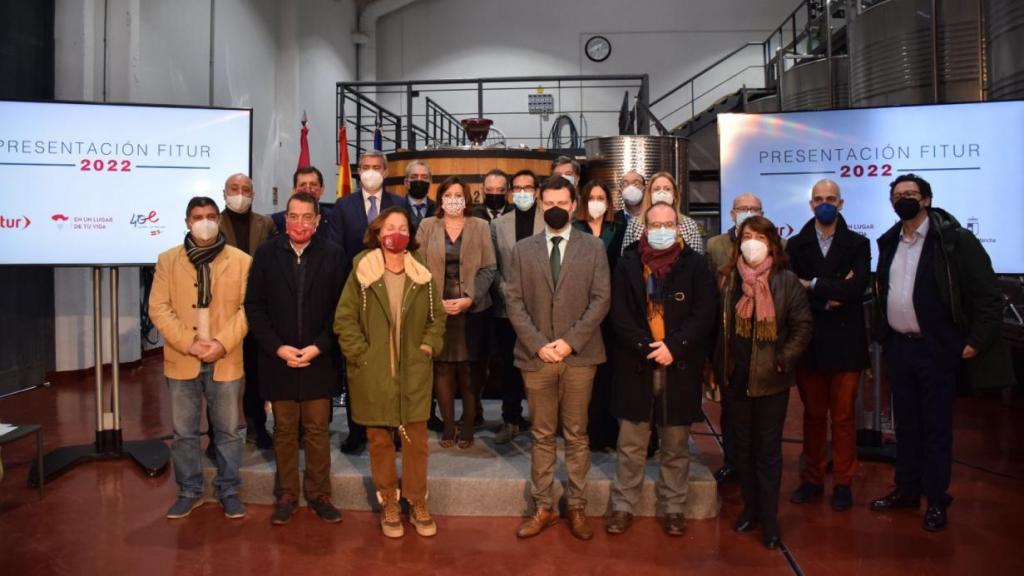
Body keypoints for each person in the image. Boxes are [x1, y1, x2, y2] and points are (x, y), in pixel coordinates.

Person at [870, 174, 1009, 532]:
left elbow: (990, 297)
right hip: (900, 348)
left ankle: (935, 499)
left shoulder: (954, 241)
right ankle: (907, 489)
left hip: (937, 350)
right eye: (898, 195)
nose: (904, 199)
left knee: (936, 428)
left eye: (911, 194)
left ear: (927, 200)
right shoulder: (890, 242)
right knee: (906, 426)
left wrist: (975, 341)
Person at [506, 176, 611, 541]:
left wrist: (569, 342)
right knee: (541, 435)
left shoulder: (593, 248)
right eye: (547, 202)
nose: (554, 209)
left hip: (580, 356)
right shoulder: (522, 250)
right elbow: (514, 303)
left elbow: (601, 300)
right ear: (539, 202)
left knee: (578, 435)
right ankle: (543, 507)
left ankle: (578, 507)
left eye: (561, 203)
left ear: (573, 204)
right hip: (537, 358)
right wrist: (539, 344)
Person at [606, 203, 717, 536]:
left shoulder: (695, 266)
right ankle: (623, 505)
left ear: (679, 228)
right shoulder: (627, 264)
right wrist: (645, 346)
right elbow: (619, 314)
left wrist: (674, 346)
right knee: (630, 444)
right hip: (636, 363)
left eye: (669, 224)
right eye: (655, 225)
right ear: (645, 228)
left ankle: (673, 508)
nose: (662, 230)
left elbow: (704, 313)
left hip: (678, 365)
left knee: (675, 445)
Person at [335, 207, 446, 538]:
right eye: (390, 226)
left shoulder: (421, 272)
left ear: (409, 235)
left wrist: (428, 346)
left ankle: (416, 500)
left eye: (402, 227)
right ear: (378, 232)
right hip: (374, 373)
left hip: (413, 373)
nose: (396, 232)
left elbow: (437, 318)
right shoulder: (362, 269)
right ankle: (389, 502)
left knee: (415, 441)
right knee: (380, 440)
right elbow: (344, 318)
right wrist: (360, 355)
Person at [245, 192, 348, 525]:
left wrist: (320, 346)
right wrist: (278, 348)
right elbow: (255, 308)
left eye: (307, 217)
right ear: (284, 219)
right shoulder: (265, 255)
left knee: (318, 429)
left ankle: (319, 493)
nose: (300, 223)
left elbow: (341, 310)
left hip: (320, 357)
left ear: (317, 221)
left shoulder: (334, 255)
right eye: (293, 216)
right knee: (285, 430)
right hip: (278, 359)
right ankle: (287, 493)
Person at [712, 215, 812, 549]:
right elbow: (719, 328)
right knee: (743, 450)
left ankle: (769, 521)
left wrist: (784, 359)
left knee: (768, 453)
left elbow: (802, 327)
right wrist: (716, 369)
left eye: (759, 236)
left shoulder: (786, 282)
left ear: (771, 242)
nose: (751, 242)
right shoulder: (729, 279)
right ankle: (750, 510)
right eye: (746, 236)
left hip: (771, 381)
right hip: (736, 379)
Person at [149, 196, 251, 520]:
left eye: (210, 216)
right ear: (187, 222)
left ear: (218, 220)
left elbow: (248, 309)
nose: (204, 221)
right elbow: (158, 308)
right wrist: (189, 343)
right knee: (183, 433)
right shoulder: (168, 260)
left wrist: (221, 343)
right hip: (183, 358)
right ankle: (189, 490)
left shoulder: (241, 261)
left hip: (226, 356)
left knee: (230, 431)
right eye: (197, 216)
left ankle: (229, 490)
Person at [785, 179, 870, 512]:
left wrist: (814, 285)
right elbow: (794, 289)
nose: (825, 204)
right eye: (818, 199)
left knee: (845, 418)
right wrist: (833, 294)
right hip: (811, 342)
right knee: (814, 416)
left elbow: (857, 288)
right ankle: (812, 479)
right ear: (810, 205)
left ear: (841, 203)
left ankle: (844, 483)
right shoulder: (795, 245)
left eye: (830, 199)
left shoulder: (859, 243)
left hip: (847, 345)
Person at [330, 150, 403, 453]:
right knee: (357, 366)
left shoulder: (398, 204)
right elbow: (335, 251)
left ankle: (395, 428)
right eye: (365, 167)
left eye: (376, 167)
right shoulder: (343, 206)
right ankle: (357, 430)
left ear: (385, 171)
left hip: (394, 292)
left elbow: (407, 244)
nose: (371, 171)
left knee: (394, 364)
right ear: (357, 172)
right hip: (357, 293)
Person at [416, 176, 496, 448]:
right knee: (442, 369)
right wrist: (435, 301)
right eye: (448, 195)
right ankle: (448, 425)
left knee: (469, 370)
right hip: (436, 309)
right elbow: (416, 267)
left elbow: (489, 268)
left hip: (471, 310)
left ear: (467, 199)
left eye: (458, 195)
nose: (453, 200)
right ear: (440, 199)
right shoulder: (427, 226)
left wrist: (470, 299)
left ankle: (469, 426)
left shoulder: (481, 226)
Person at [705, 192, 764, 484]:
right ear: (731, 214)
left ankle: (756, 463)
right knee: (730, 409)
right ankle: (732, 461)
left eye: (754, 209)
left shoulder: (775, 247)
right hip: (725, 340)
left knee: (758, 410)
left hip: (760, 342)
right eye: (742, 209)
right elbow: (706, 294)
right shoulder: (716, 246)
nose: (748, 212)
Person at [219, 173, 277, 451]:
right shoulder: (212, 224)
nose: (239, 194)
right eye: (234, 188)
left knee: (256, 375)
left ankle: (257, 428)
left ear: (253, 195)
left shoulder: (265, 224)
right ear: (224, 192)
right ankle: (219, 433)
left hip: (257, 309)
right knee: (220, 378)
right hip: (223, 312)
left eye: (245, 189)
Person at [491, 169, 544, 444]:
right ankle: (510, 419)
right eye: (518, 188)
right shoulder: (500, 224)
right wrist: (507, 291)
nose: (523, 192)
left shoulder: (549, 220)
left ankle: (541, 422)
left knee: (538, 367)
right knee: (509, 368)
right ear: (511, 192)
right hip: (506, 309)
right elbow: (494, 266)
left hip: (541, 309)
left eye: (528, 187)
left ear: (537, 190)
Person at [572, 179, 624, 451]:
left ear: (608, 202)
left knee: (609, 374)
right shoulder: (575, 229)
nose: (596, 202)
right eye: (591, 197)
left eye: (601, 197)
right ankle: (590, 433)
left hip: (612, 308)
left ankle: (609, 431)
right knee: (585, 375)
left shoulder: (619, 227)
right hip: (581, 307)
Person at [621, 171, 705, 255]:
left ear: (675, 195)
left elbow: (696, 261)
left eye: (667, 189)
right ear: (649, 194)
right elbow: (626, 259)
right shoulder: (634, 224)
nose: (661, 193)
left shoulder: (690, 225)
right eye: (656, 189)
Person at [271, 166, 335, 243]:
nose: (308, 189)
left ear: (322, 189)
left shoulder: (334, 218)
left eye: (313, 184)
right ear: (294, 190)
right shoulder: (278, 221)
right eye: (302, 185)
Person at [400, 160, 436, 234]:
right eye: (414, 177)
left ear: (430, 182)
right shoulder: (396, 208)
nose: (419, 180)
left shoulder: (439, 209)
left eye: (424, 177)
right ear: (406, 182)